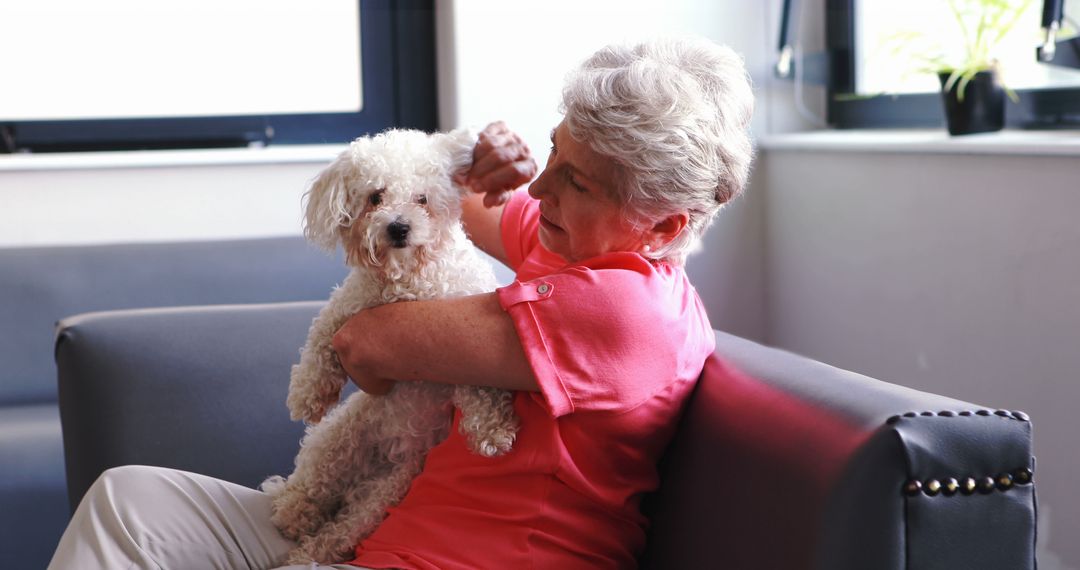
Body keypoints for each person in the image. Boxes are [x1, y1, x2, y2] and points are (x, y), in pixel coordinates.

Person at [48, 36, 754, 570]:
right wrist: (479, 159)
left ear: (664, 226)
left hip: (462, 559)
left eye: (573, 181)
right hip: (397, 525)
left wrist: (380, 341)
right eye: (550, 156)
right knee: (126, 500)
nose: (539, 192)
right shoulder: (570, 242)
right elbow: (448, 207)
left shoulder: (630, 311)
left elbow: (369, 344)